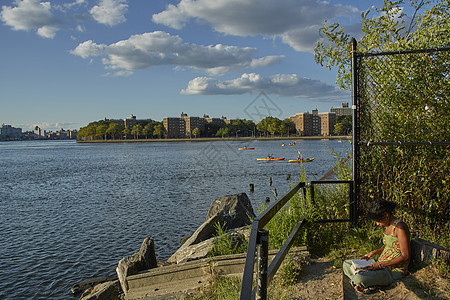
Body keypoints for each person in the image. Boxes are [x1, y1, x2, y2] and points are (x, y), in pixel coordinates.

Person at [343, 199, 410, 294]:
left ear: (386, 215)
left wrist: (380, 265)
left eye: (378, 221)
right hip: (380, 264)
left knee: (359, 278)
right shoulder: (388, 225)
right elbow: (391, 247)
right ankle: (364, 281)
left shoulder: (400, 228)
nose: (377, 224)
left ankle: (361, 280)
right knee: (346, 264)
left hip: (392, 270)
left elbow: (405, 256)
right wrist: (374, 252)